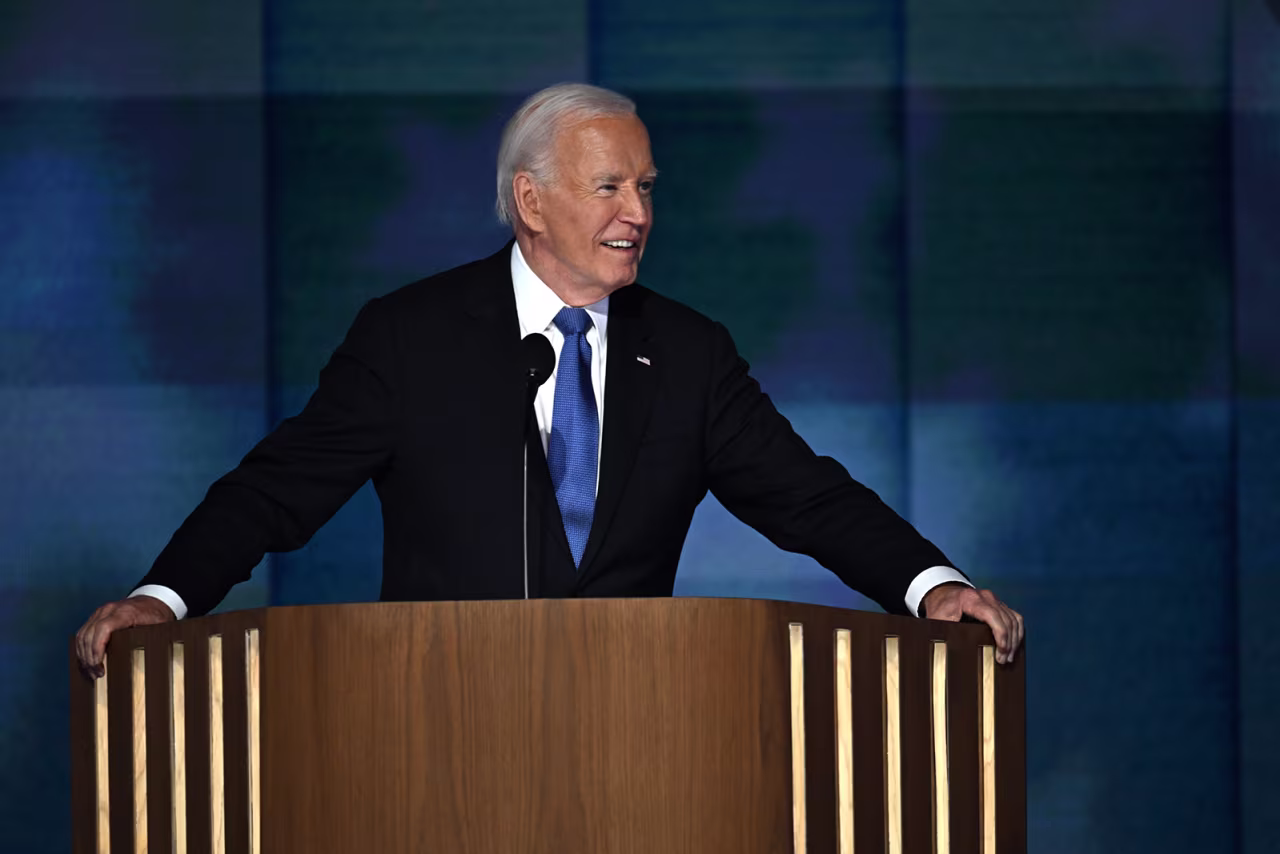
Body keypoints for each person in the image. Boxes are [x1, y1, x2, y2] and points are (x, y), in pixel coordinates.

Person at [75, 83, 1023, 676]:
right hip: (434, 736)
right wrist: (161, 601)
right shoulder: (413, 338)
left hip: (637, 743)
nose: (637, 212)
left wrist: (931, 586)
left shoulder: (688, 353)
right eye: (608, 186)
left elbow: (807, 496)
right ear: (530, 200)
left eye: (646, 187)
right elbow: (277, 492)